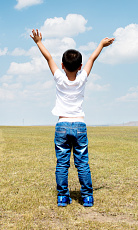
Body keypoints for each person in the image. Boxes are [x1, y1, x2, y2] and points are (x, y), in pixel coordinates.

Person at [30, 29, 115, 207]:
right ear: (79, 66)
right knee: (82, 162)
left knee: (62, 163)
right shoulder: (82, 78)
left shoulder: (59, 78)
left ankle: (62, 197)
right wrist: (101, 44)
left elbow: (48, 58)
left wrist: (38, 42)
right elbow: (92, 59)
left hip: (61, 125)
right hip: (79, 124)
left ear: (62, 65)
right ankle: (87, 197)